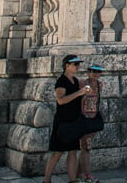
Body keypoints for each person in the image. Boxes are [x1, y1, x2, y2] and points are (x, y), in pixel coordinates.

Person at [44, 55, 87, 183]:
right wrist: (79, 93)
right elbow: (61, 100)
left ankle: (72, 180)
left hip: (73, 120)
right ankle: (46, 180)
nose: (77, 66)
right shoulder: (61, 81)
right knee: (58, 152)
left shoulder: (75, 80)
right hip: (63, 121)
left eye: (78, 64)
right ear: (66, 65)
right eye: (75, 64)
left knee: (73, 151)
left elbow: (76, 100)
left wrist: (84, 94)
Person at [77, 64, 106, 181]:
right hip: (84, 119)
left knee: (85, 147)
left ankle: (78, 175)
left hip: (93, 119)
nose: (96, 74)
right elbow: (79, 101)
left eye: (98, 72)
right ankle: (88, 176)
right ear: (88, 72)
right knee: (86, 147)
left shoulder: (99, 85)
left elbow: (97, 101)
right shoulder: (83, 84)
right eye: (94, 71)